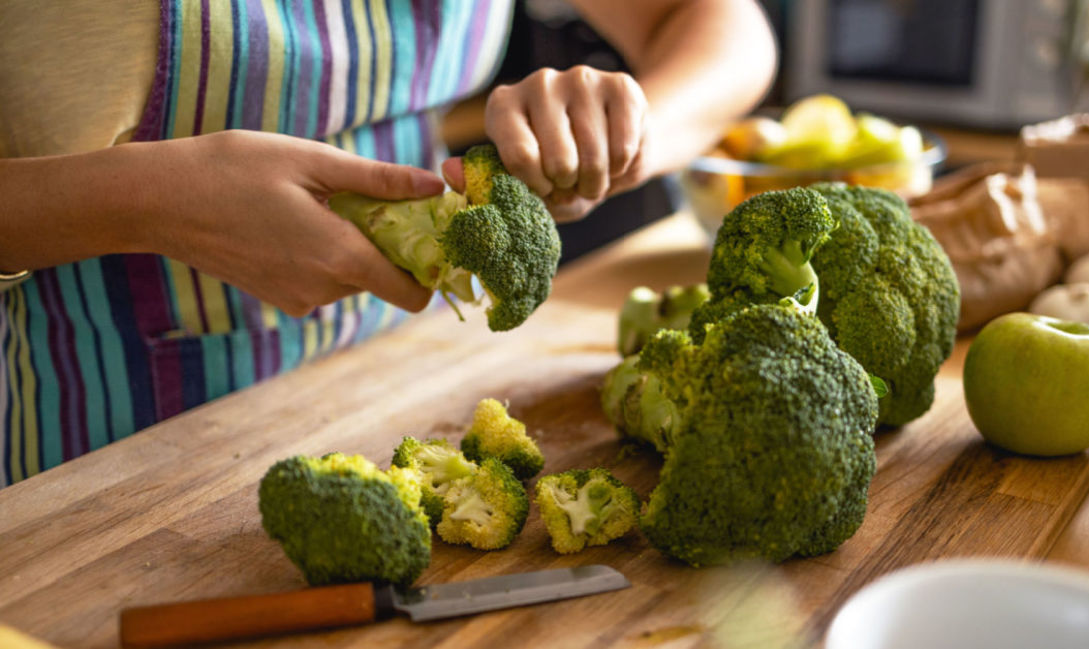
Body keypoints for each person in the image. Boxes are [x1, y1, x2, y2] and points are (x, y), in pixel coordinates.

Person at [0, 0, 777, 485]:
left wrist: (626, 133)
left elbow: (717, 24)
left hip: (406, 383)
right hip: (98, 456)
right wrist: (148, 202)